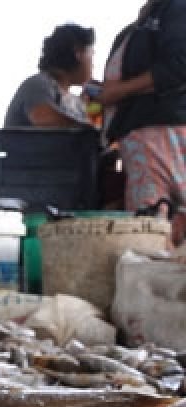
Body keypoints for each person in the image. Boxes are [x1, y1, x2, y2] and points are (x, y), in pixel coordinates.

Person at [100, 0, 186, 241]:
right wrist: (105, 91)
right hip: (141, 138)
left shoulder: (177, 8)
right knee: (151, 226)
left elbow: (179, 66)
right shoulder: (139, 25)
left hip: (164, 131)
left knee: (151, 229)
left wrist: (120, 90)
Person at [3, 24, 96, 129]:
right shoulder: (39, 84)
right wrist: (95, 131)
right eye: (91, 54)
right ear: (78, 53)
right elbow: (44, 118)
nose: (92, 64)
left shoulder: (75, 102)